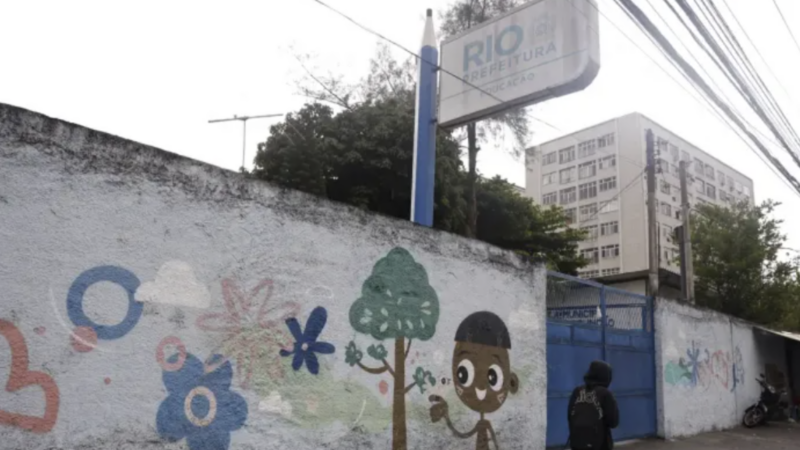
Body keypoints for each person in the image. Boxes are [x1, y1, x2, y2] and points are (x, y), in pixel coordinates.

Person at [567, 360, 619, 450]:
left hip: (577, 442)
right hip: (600, 445)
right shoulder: (605, 394)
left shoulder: (577, 391)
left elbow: (570, 416)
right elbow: (613, 422)